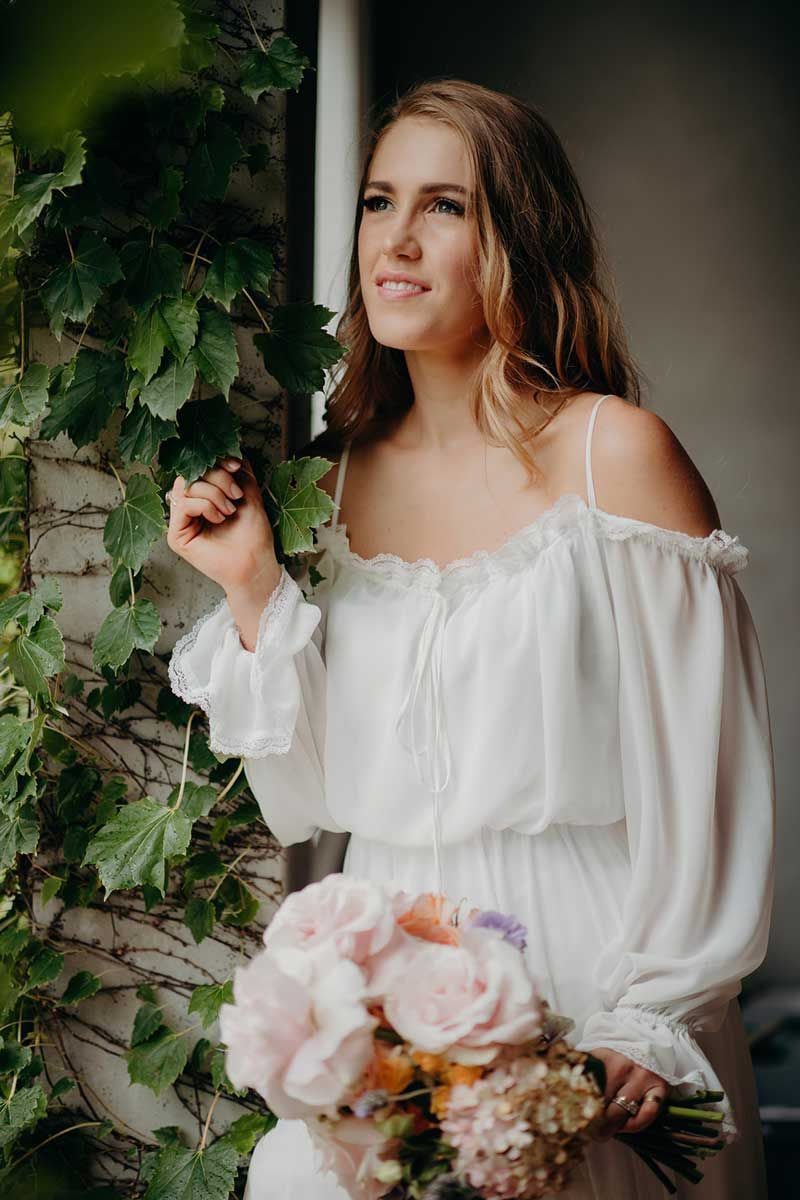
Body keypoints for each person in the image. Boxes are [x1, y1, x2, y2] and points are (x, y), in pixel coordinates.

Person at [165, 79, 775, 1198]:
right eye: (376, 200)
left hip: (598, 971)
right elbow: (308, 801)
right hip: (382, 980)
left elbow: (710, 778)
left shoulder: (615, 456)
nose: (394, 240)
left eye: (444, 206)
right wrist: (253, 588)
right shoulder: (328, 482)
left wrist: (647, 1018)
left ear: (518, 240)